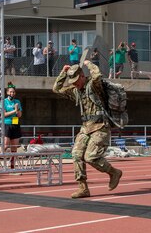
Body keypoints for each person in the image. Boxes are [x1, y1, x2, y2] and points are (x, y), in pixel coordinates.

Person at [53, 60, 122, 199]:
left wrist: (89, 64)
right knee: (76, 155)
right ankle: (83, 188)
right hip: (86, 127)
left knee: (90, 157)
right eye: (72, 81)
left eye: (76, 80)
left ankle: (113, 172)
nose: (74, 84)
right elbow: (56, 89)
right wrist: (63, 73)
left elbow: (97, 76)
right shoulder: (75, 91)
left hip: (100, 127)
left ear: (82, 76)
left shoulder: (94, 86)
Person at [0, 82, 22, 170]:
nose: (12, 93)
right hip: (6, 124)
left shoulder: (17, 101)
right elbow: (3, 114)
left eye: (13, 92)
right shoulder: (4, 101)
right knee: (5, 145)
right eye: (10, 92)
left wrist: (17, 111)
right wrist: (14, 110)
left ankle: (12, 165)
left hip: (15, 124)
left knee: (14, 147)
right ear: (7, 92)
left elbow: (19, 115)